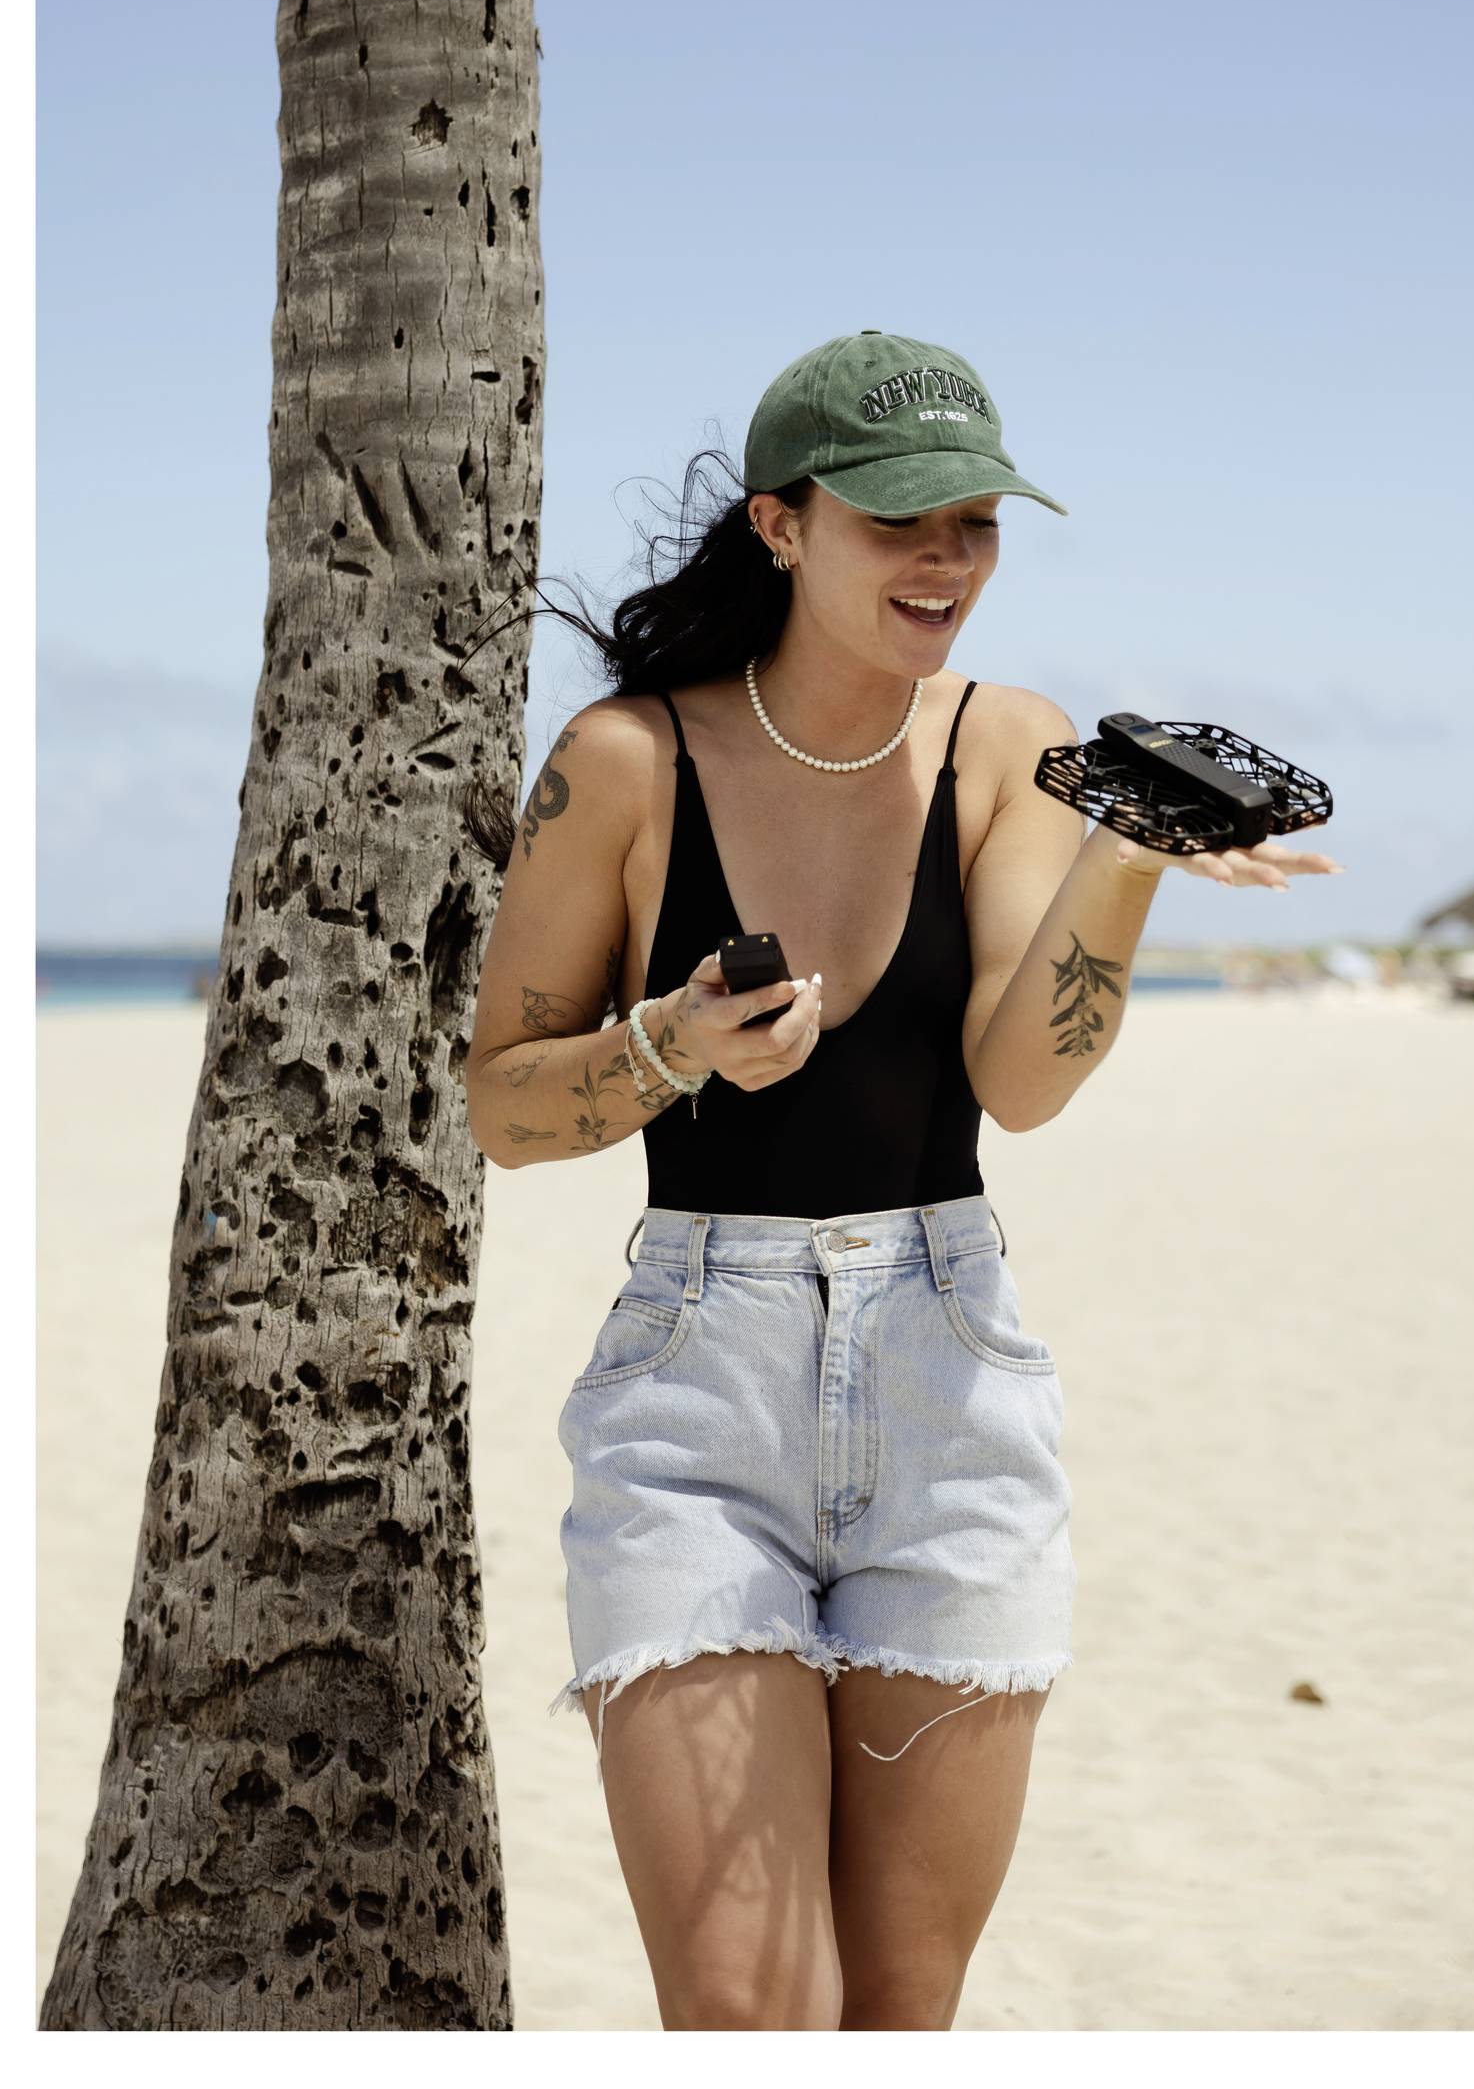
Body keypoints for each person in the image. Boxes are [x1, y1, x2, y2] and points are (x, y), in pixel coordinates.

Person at [464, 330, 1340, 2030]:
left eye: (977, 521)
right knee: (746, 2013)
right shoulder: (628, 760)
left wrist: (1127, 857)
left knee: (898, 2014)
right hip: (694, 1409)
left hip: (952, 1386)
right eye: (898, 521)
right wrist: (673, 1049)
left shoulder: (1011, 741)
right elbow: (501, 1106)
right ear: (782, 527)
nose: (947, 559)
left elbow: (1026, 1082)